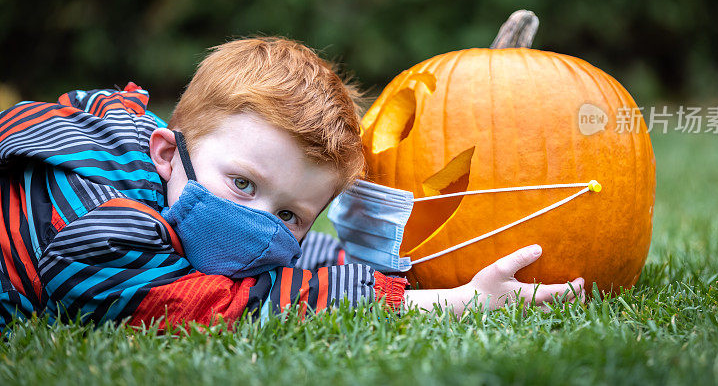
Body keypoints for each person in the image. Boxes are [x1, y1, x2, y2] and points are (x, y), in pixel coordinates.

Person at [0, 37, 583, 330]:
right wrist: (445, 302)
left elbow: (296, 264)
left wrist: (373, 266)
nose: (258, 226)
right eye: (243, 186)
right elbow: (228, 303)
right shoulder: (104, 224)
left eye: (289, 216)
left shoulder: (186, 174)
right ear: (163, 152)